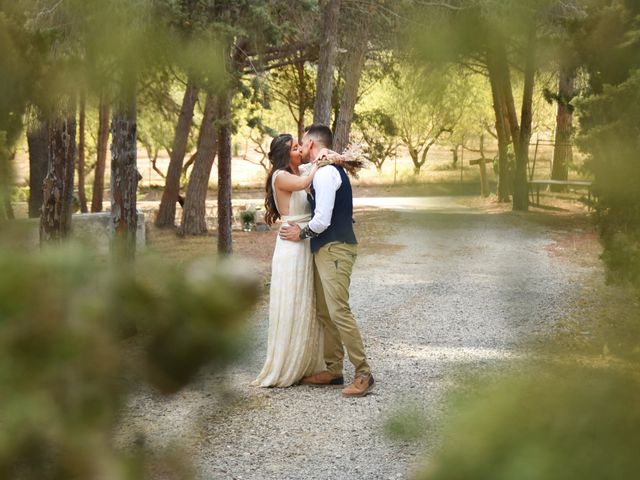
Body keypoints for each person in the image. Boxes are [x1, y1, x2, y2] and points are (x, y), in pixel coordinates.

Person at [280, 124, 374, 398]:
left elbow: (322, 220)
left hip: (335, 247)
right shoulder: (321, 169)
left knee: (339, 311)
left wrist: (301, 233)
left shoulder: (326, 174)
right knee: (324, 311)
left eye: (301, 143)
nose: (300, 147)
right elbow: (301, 175)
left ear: (310, 143)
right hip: (325, 249)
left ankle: (364, 373)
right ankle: (333, 369)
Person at [252, 133, 326, 387]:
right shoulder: (281, 176)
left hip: (305, 240)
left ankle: (308, 361)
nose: (300, 150)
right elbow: (307, 178)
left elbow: (311, 167)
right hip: (292, 245)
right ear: (285, 155)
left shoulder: (299, 169)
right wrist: (320, 160)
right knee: (293, 299)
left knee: (308, 299)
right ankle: (287, 364)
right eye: (295, 148)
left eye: (299, 147)